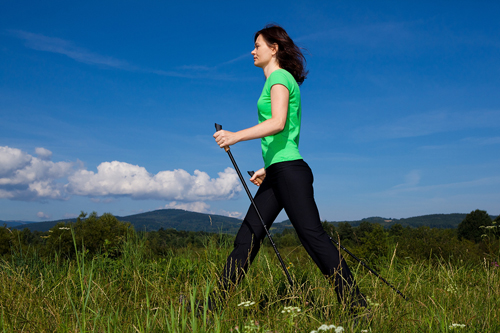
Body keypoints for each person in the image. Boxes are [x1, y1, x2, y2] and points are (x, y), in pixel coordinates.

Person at [212, 24, 366, 312]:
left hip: (290, 172)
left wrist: (235, 136)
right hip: (279, 172)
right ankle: (211, 306)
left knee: (312, 237)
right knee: (247, 236)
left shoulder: (280, 77)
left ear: (274, 48)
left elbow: (278, 123)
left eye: (257, 45)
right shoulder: (276, 80)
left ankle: (357, 306)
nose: (252, 51)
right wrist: (267, 168)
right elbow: (285, 137)